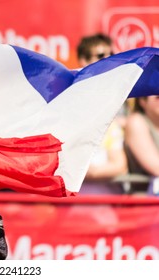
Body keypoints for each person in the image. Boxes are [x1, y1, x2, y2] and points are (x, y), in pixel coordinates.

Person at [77, 33, 128, 195]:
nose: (108, 59)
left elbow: (120, 165)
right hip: (75, 199)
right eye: (100, 56)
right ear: (83, 61)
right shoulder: (71, 97)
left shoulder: (124, 91)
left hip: (109, 196)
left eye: (111, 54)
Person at [124, 96, 159, 194]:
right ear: (142, 101)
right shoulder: (136, 121)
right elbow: (156, 167)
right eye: (158, 97)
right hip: (145, 202)